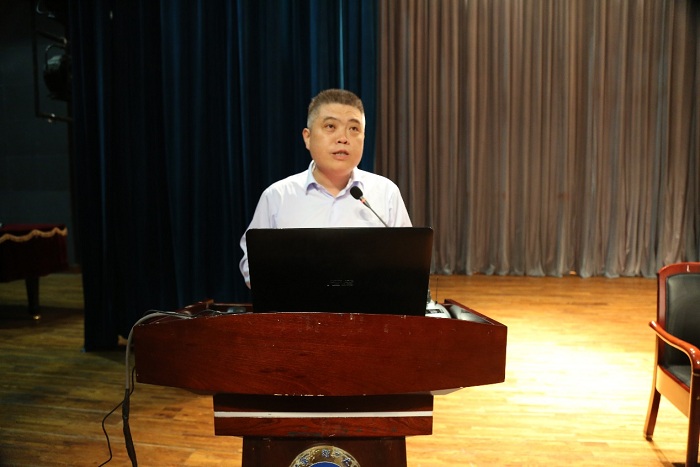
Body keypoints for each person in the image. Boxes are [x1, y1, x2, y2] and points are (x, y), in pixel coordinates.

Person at [238, 88, 412, 287]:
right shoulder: (278, 197)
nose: (343, 138)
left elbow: (408, 262)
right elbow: (251, 266)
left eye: (354, 129)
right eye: (330, 126)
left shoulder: (386, 193)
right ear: (307, 137)